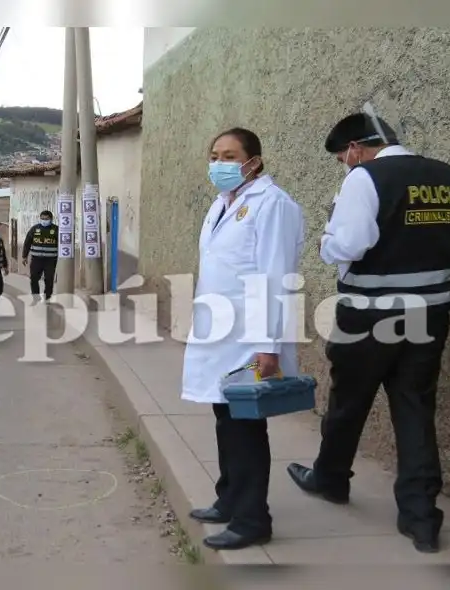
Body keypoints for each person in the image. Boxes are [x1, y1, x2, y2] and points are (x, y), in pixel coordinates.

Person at [286, 113, 450, 554]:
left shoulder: (365, 178)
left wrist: (324, 242)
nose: (344, 166)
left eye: (342, 158)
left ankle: (330, 479)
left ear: (354, 147)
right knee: (415, 407)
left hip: (371, 315)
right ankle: (421, 519)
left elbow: (349, 245)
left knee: (349, 401)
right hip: (430, 314)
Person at [181, 127, 305, 551]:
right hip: (219, 334)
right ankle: (229, 498)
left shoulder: (273, 205)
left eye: (229, 155)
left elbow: (275, 278)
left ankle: (254, 519)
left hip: (251, 340)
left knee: (245, 425)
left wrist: (268, 346)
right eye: (214, 154)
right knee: (225, 419)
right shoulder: (222, 204)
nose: (219, 163)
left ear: (253, 161)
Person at [21, 210, 59, 303]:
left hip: (50, 260)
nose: (44, 220)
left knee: (49, 279)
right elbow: (27, 243)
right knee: (33, 278)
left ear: (51, 219)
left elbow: (62, 244)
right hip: (36, 259)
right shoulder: (34, 229)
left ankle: (47, 297)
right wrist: (24, 256)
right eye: (42, 218)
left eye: (46, 219)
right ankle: (36, 297)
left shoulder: (56, 230)